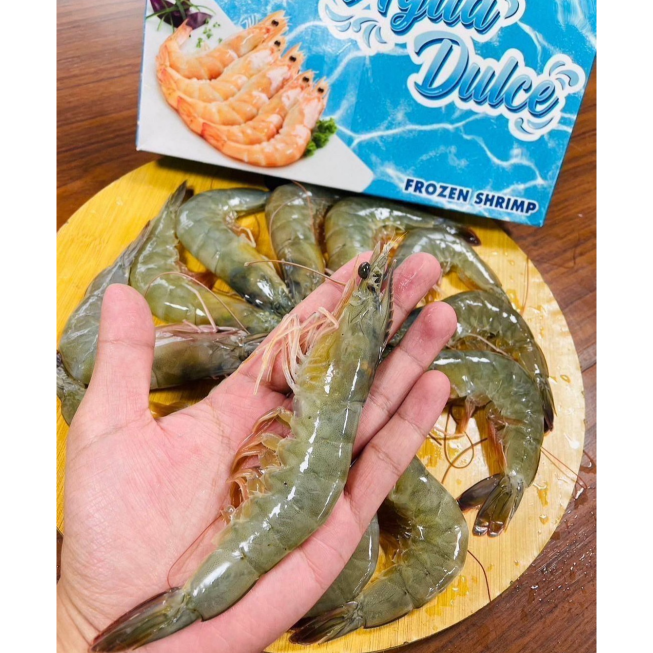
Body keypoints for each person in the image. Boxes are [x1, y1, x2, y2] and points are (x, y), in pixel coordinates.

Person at [56, 253, 456, 653]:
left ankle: (183, 607)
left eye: (365, 277)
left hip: (290, 502)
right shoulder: (355, 349)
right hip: (301, 489)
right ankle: (176, 607)